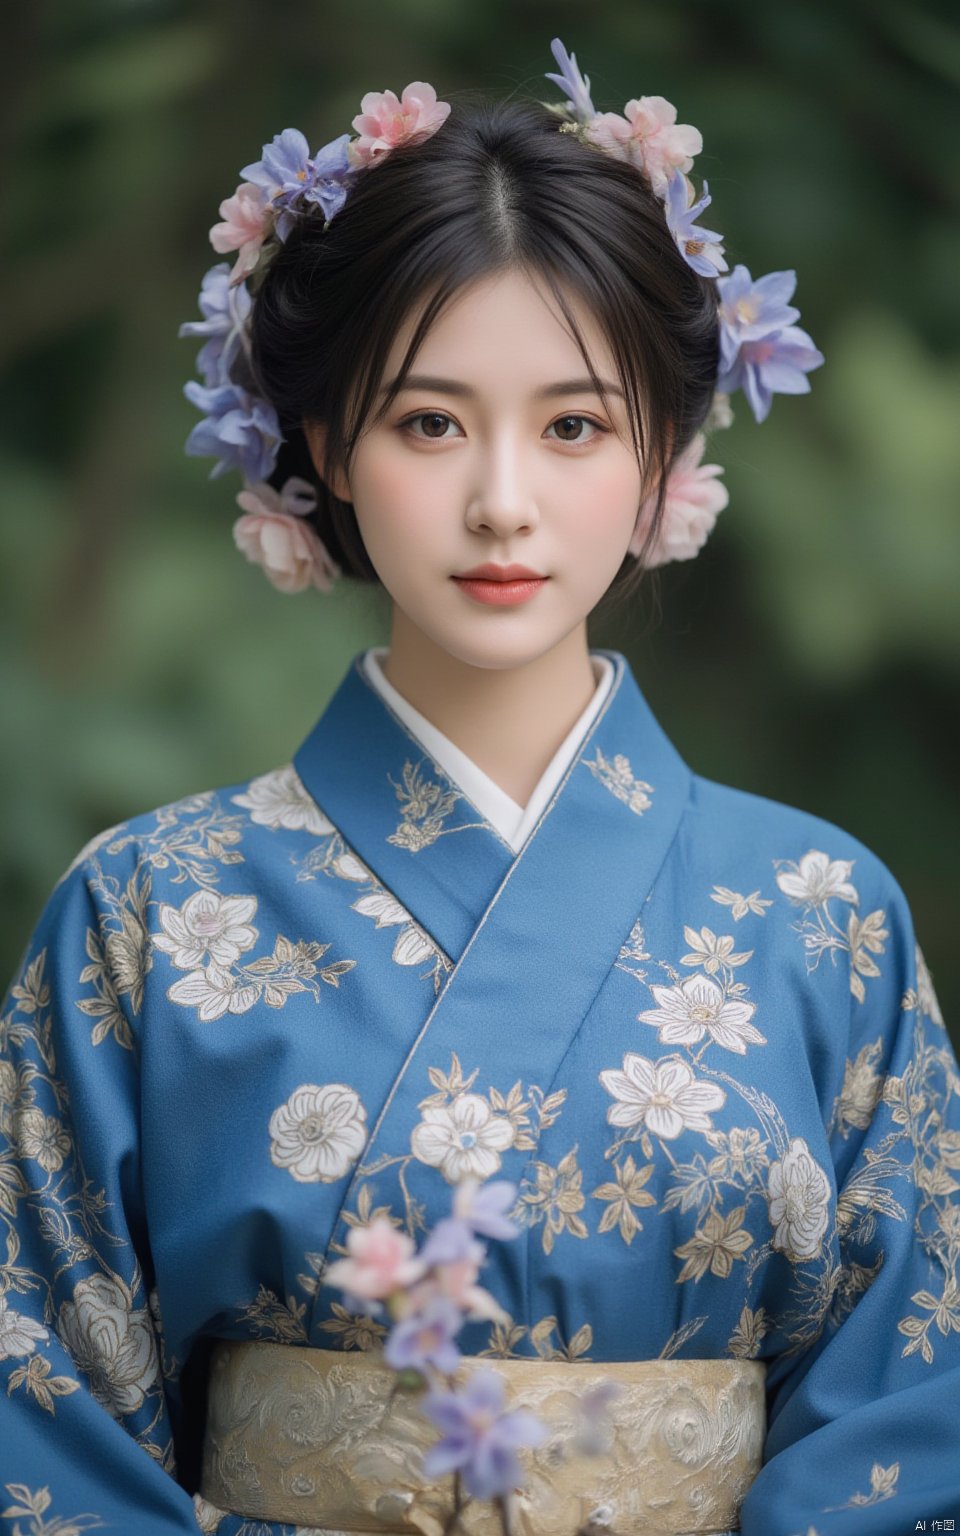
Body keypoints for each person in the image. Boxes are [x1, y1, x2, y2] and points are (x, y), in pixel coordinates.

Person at [1, 36, 957, 1536]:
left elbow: (913, 1415)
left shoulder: (822, 914)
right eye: (429, 422)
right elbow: (34, 1432)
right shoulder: (144, 911)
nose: (501, 499)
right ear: (319, 447)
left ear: (660, 457)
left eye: (573, 425)